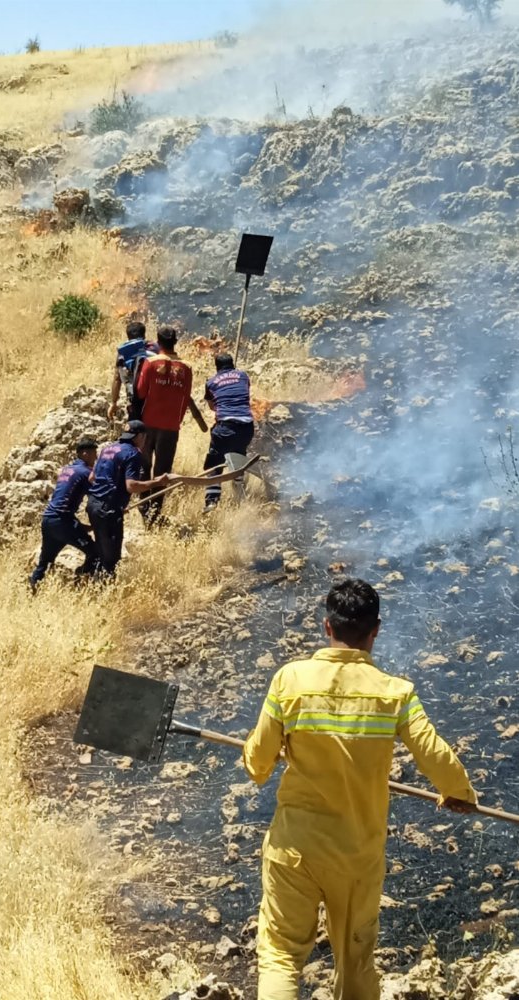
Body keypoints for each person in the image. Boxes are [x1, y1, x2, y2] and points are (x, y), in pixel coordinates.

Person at [243, 578, 477, 1000]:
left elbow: (259, 763)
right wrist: (459, 793)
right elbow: (435, 755)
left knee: (280, 953)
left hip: (294, 847)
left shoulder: (288, 681)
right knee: (355, 961)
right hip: (356, 855)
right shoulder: (395, 694)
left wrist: (264, 757)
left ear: (327, 628)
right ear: (376, 630)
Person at [134, 326, 207, 522]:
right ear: (176, 341)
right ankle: (155, 513)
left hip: (148, 423)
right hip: (171, 427)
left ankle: (143, 507)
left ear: (158, 341)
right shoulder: (187, 368)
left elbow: (140, 393)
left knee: (144, 466)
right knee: (162, 471)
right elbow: (185, 398)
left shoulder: (150, 363)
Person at [86, 419, 168, 577]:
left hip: (93, 506)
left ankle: (95, 585)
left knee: (102, 551)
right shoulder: (133, 454)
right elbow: (132, 486)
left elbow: (92, 478)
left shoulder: (107, 449)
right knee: (111, 560)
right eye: (145, 438)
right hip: (108, 510)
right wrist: (157, 482)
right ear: (140, 436)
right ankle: (104, 592)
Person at [29, 437, 100, 590]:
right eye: (95, 453)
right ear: (85, 453)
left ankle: (31, 592)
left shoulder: (67, 470)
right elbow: (98, 495)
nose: (96, 457)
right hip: (63, 521)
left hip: (49, 520)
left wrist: (80, 527)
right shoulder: (86, 472)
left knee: (45, 562)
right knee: (95, 552)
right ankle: (81, 582)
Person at [202, 352, 255, 512]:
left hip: (225, 427)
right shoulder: (243, 376)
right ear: (232, 364)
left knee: (214, 463)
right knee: (238, 457)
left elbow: (212, 406)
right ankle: (239, 495)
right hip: (247, 427)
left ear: (216, 366)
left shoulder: (211, 382)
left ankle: (212, 501)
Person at [107, 320, 159, 423]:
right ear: (144, 334)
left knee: (137, 431)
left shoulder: (123, 353)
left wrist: (113, 403)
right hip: (156, 398)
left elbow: (117, 379)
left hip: (135, 400)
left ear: (128, 336)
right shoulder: (154, 348)